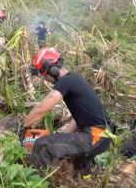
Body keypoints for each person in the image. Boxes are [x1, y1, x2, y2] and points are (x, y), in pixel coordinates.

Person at [23, 47, 112, 179]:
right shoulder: (73, 80)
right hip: (98, 134)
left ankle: (34, 182)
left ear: (52, 69)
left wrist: (25, 127)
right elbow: (78, 117)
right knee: (79, 162)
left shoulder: (66, 81)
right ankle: (84, 181)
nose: (44, 79)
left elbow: (42, 108)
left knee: (43, 145)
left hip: (96, 135)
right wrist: (64, 135)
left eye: (44, 75)